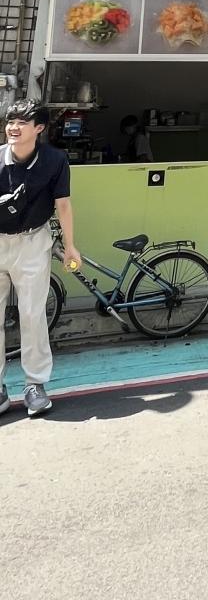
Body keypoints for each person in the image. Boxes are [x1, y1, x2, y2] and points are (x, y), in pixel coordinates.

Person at [0, 100, 81, 417]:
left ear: (39, 128)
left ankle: (35, 385)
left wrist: (70, 247)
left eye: (22, 122)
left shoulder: (54, 160)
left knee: (32, 315)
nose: (14, 127)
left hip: (33, 242)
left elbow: (63, 205)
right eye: (11, 121)